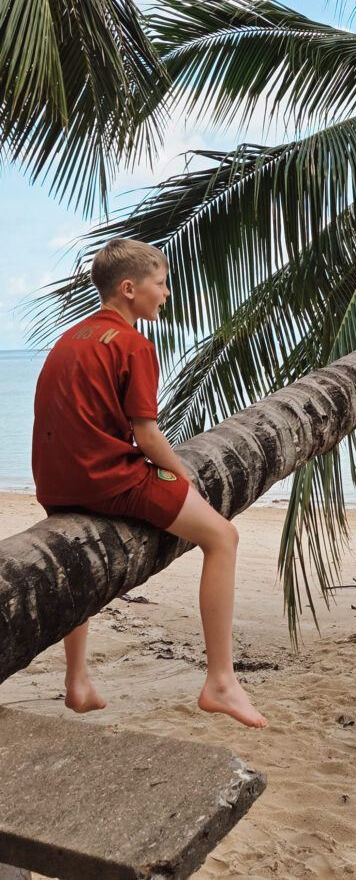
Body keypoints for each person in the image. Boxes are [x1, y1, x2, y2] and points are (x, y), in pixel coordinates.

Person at [32, 237, 266, 729]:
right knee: (222, 537)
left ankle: (78, 680)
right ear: (129, 289)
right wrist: (182, 476)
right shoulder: (133, 344)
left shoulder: (70, 338)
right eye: (160, 284)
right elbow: (147, 433)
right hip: (106, 479)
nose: (166, 293)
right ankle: (220, 681)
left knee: (81, 564)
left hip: (55, 481)